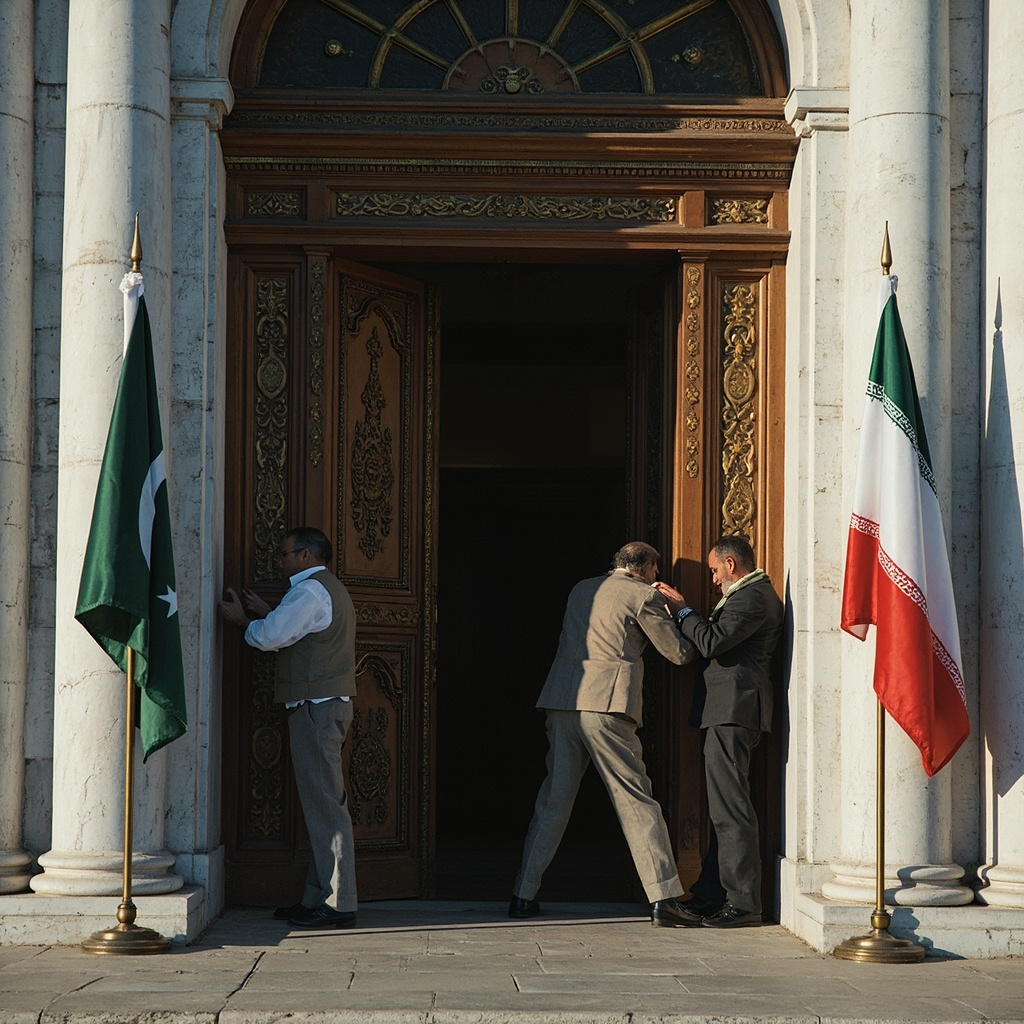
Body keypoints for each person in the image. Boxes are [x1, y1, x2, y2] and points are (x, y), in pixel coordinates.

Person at [509, 541, 699, 928]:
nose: (657, 577)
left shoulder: (581, 588)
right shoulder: (643, 595)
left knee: (552, 801)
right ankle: (664, 897)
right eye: (656, 570)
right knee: (636, 802)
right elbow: (678, 654)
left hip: (563, 700)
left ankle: (522, 894)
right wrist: (679, 612)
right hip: (606, 705)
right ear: (646, 568)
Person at [219, 526, 358, 930]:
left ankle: (338, 902)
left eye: (283, 554)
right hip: (325, 705)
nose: (278, 562)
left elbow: (272, 637)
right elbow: (298, 630)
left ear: (306, 554)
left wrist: (243, 621)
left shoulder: (310, 591)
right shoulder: (322, 589)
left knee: (326, 806)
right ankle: (318, 896)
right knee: (322, 804)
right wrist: (267, 613)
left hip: (316, 708)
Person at [654, 535, 783, 928]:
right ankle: (713, 894)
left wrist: (681, 611)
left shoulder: (753, 597)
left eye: (713, 570)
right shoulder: (746, 595)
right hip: (725, 712)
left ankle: (744, 903)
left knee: (732, 811)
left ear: (731, 564)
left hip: (735, 712)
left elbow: (711, 642)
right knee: (722, 810)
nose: (712, 579)